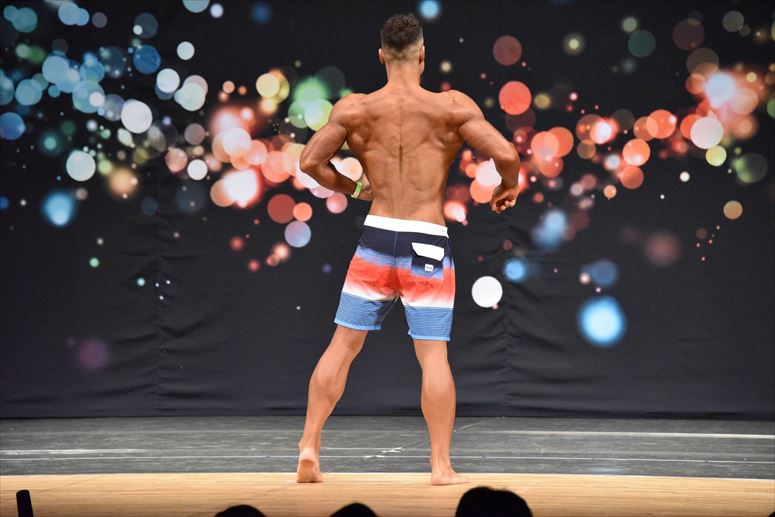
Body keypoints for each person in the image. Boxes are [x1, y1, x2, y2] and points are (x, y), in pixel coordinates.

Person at [296, 12, 521, 486]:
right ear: (422, 55)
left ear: (382, 56)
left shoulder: (355, 109)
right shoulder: (450, 107)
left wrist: (355, 188)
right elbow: (506, 154)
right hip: (427, 241)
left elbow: (310, 161)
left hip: (377, 238)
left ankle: (309, 447)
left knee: (342, 346)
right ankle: (440, 466)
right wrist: (508, 186)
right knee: (433, 356)